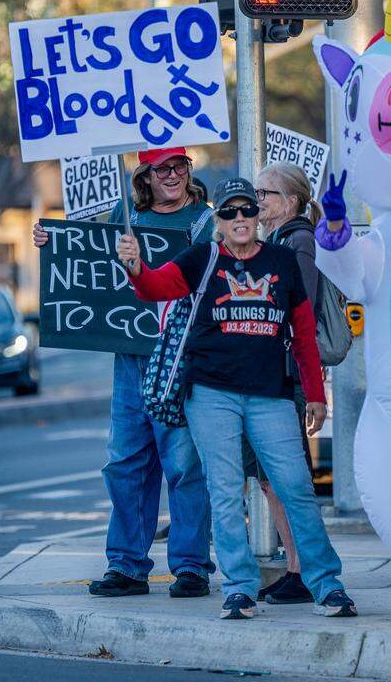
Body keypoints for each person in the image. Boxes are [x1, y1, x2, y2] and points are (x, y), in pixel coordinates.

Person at [117, 178, 356, 620]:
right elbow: (155, 288)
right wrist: (135, 267)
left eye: (248, 210)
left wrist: (315, 397)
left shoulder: (283, 262)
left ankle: (327, 585)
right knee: (225, 493)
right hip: (210, 396)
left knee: (298, 489)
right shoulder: (203, 259)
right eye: (229, 212)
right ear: (219, 222)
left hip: (272, 398)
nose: (240, 218)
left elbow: (302, 336)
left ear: (257, 218)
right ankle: (240, 588)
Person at [32, 147, 215, 598]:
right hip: (130, 358)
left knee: (185, 464)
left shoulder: (206, 221)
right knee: (126, 462)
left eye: (180, 166)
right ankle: (127, 565)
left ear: (189, 170)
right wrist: (50, 240)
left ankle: (191, 566)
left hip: (182, 360)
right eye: (162, 169)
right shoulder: (123, 213)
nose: (172, 176)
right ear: (145, 177)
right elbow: (87, 257)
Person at [246, 162, 323, 605]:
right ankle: (297, 565)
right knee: (271, 480)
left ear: (291, 201)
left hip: (288, 376)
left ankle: (304, 568)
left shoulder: (299, 242)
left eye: (266, 193)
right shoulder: (276, 239)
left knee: (288, 480)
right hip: (274, 374)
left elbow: (300, 312)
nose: (258, 202)